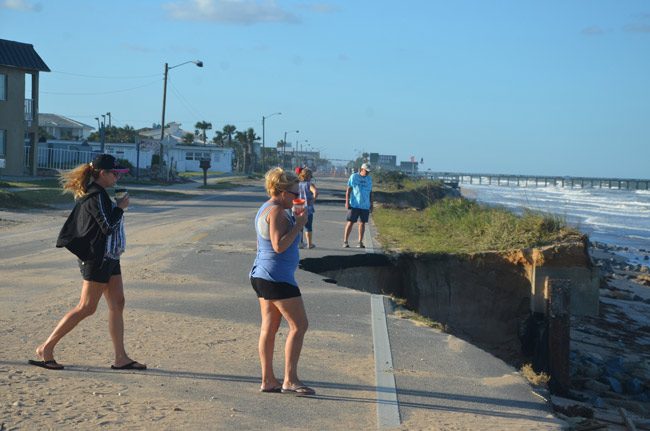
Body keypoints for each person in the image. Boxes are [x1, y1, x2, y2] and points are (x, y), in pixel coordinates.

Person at [29, 154, 146, 371]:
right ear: (103, 174)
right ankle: (46, 348)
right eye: (115, 173)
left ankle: (121, 358)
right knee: (86, 307)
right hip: (96, 259)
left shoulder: (101, 195)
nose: (117, 177)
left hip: (110, 256)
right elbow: (108, 226)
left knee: (118, 303)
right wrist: (120, 207)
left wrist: (118, 207)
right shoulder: (95, 197)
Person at [249, 167, 315, 395]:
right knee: (299, 325)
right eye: (293, 193)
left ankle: (268, 380)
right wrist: (299, 224)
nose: (297, 197)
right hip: (276, 277)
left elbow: (262, 245)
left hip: (263, 273)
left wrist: (295, 221)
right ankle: (290, 379)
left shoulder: (265, 208)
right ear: (280, 191)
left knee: (270, 326)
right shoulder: (276, 211)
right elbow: (278, 246)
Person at [343, 162, 373, 248]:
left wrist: (371, 204)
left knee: (362, 223)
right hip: (354, 204)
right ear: (361, 169)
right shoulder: (354, 177)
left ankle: (360, 242)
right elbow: (348, 190)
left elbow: (371, 192)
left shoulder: (369, 179)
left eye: (368, 171)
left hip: (365, 205)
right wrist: (346, 201)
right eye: (366, 171)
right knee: (351, 222)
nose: (367, 173)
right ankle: (345, 241)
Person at [298, 168, 319, 249]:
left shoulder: (298, 184)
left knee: (299, 226)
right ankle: (309, 244)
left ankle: (299, 243)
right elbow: (316, 192)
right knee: (308, 226)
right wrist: (312, 200)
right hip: (307, 207)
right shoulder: (309, 184)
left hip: (298, 206)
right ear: (309, 176)